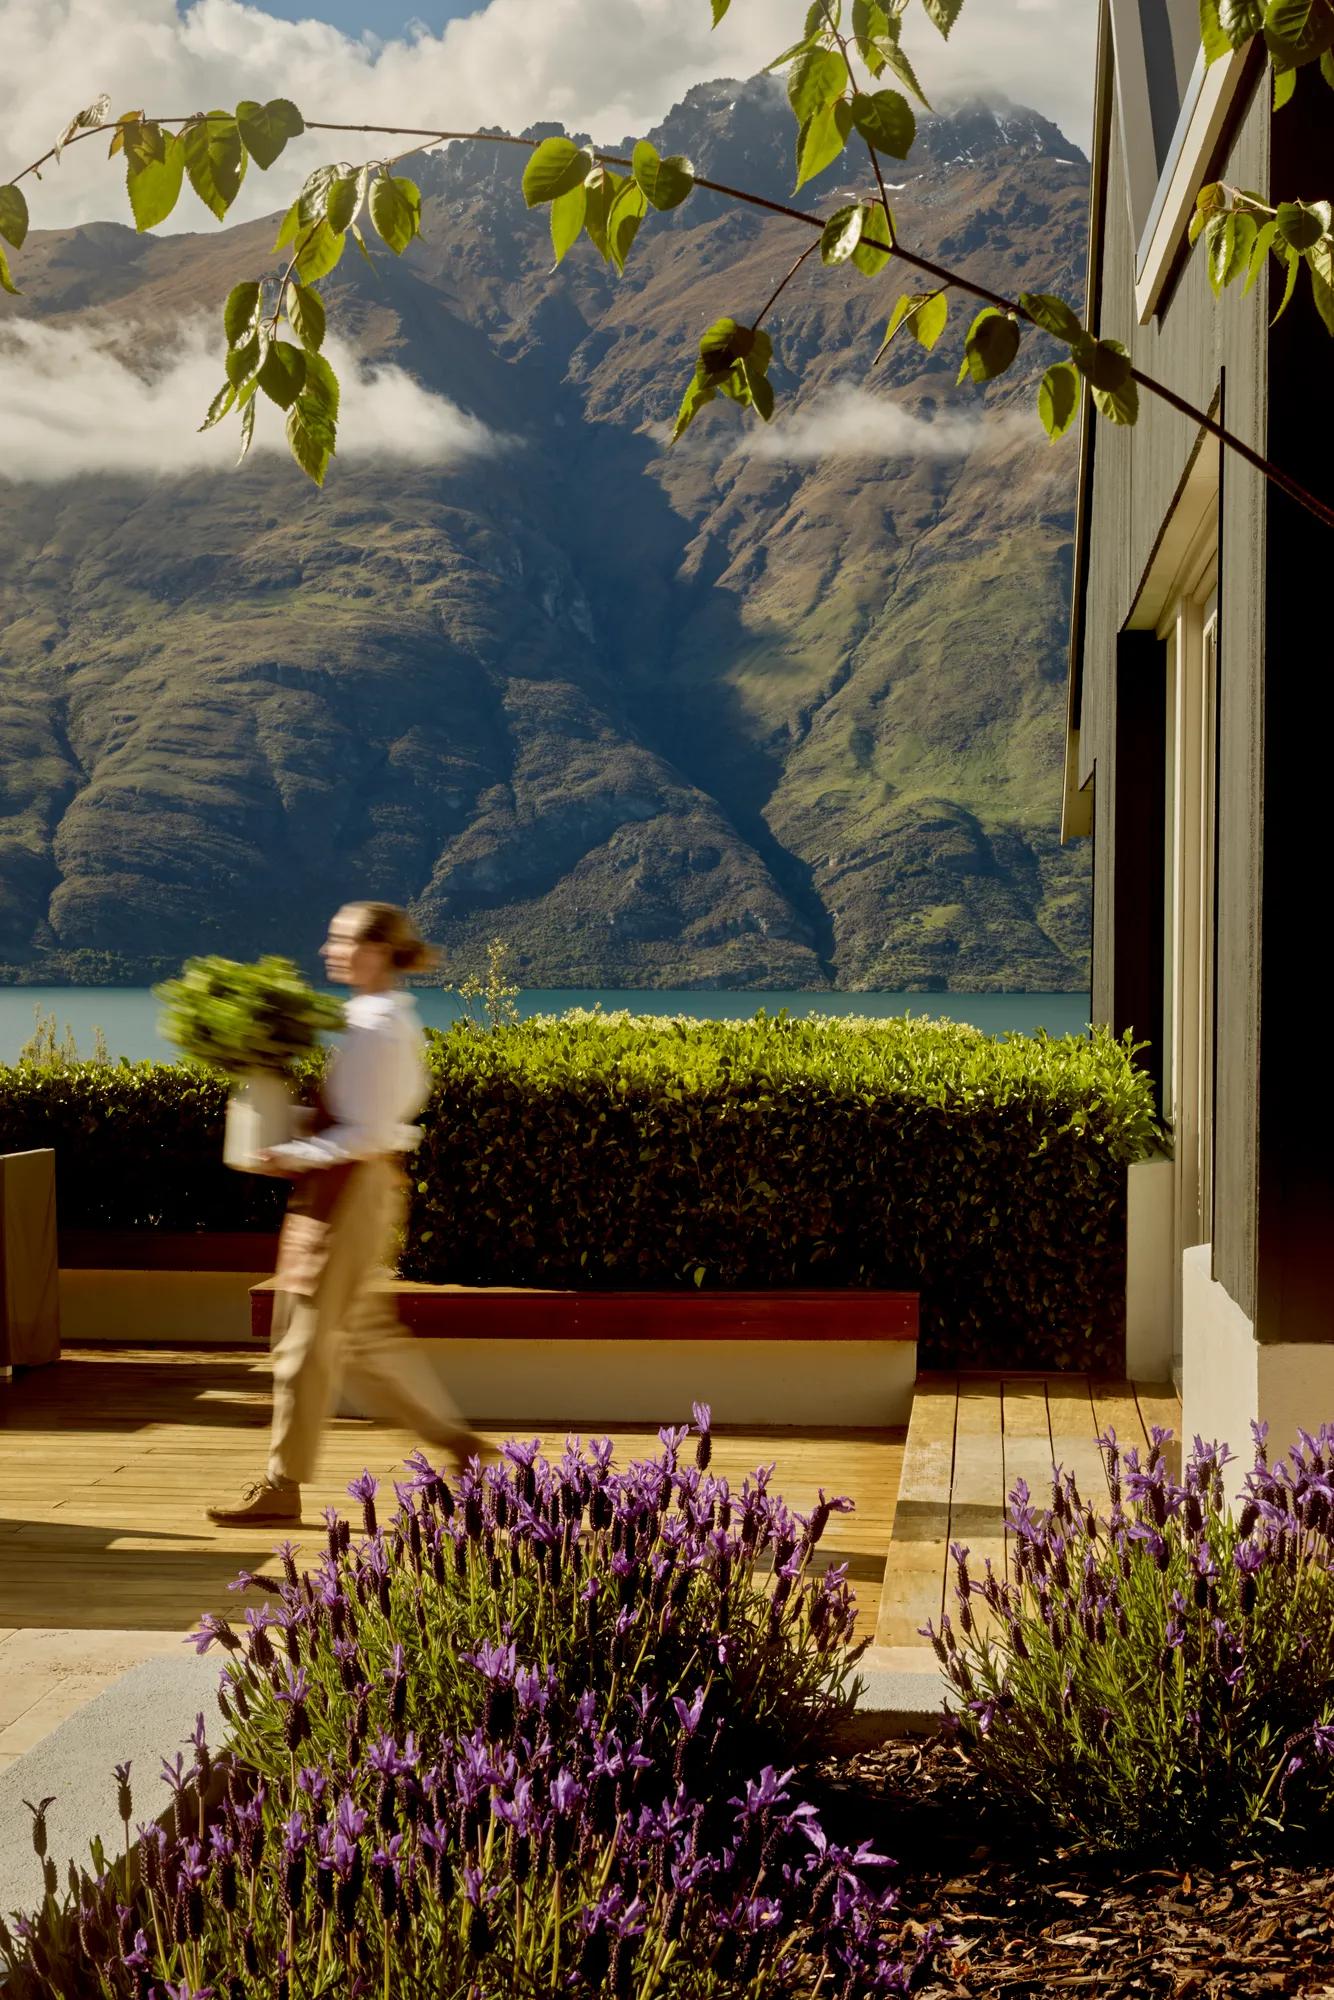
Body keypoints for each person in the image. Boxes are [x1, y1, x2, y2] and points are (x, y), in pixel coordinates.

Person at [206, 902, 488, 1526]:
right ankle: (459, 1446)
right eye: (331, 937)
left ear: (381, 949)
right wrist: (299, 1128)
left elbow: (374, 1130)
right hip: (341, 1188)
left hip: (354, 1190)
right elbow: (355, 1121)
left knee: (304, 1345)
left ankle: (282, 1486)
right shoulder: (364, 1017)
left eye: (344, 940)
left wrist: (293, 1150)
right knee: (360, 1341)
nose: (330, 949)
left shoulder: (381, 1026)